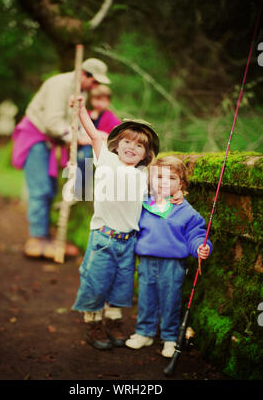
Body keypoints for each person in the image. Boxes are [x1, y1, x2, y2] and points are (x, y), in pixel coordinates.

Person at [69, 96, 183, 350]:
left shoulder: (144, 176)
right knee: (96, 280)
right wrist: (81, 110)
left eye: (139, 146)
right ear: (117, 145)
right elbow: (95, 135)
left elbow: (161, 193)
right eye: (127, 142)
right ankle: (93, 321)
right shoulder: (107, 162)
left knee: (121, 284)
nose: (132, 147)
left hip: (129, 240)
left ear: (147, 154)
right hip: (103, 237)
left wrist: (177, 193)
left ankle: (113, 320)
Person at [11, 59, 111, 259]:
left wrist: (93, 135)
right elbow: (52, 123)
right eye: (94, 82)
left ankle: (46, 233)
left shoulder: (80, 91)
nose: (95, 87)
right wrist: (76, 138)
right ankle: (37, 237)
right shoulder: (60, 85)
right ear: (85, 75)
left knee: (49, 189)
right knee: (40, 189)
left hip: (51, 142)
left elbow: (76, 121)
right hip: (36, 137)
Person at [125, 156, 212, 357]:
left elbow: (196, 235)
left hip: (173, 264)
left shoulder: (187, 211)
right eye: (159, 177)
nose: (164, 182)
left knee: (170, 300)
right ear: (150, 180)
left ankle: (169, 337)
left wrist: (201, 246)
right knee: (147, 298)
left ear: (181, 184)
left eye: (171, 178)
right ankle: (144, 333)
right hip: (146, 261)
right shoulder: (142, 205)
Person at [75, 84, 121, 197]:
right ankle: (81, 187)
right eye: (97, 99)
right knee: (82, 157)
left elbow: (114, 135)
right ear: (92, 100)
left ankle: (91, 187)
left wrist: (102, 136)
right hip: (85, 146)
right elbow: (79, 132)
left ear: (109, 102)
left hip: (101, 147)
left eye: (104, 100)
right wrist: (81, 139)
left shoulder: (110, 118)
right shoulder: (87, 115)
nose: (100, 103)